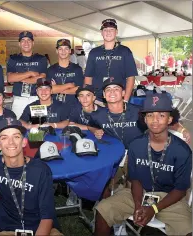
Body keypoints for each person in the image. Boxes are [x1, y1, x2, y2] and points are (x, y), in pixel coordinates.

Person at [94, 93, 192, 236]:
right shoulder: (136, 145)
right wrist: (138, 205)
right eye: (150, 115)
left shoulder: (182, 150)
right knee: (103, 209)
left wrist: (154, 209)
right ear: (144, 119)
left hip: (170, 198)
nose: (155, 120)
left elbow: (180, 190)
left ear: (170, 119)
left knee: (188, 230)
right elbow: (136, 180)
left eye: (161, 115)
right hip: (138, 194)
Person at [0, 118, 62, 235]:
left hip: (43, 229)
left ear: (24, 142)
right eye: (4, 138)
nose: (11, 142)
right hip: (8, 231)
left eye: (16, 137)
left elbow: (47, 216)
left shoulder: (41, 170)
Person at [84, 19, 137, 104]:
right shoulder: (94, 52)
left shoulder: (125, 51)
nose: (108, 32)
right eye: (105, 30)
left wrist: (126, 100)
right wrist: (90, 98)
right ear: (101, 32)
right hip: (98, 100)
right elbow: (88, 77)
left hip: (119, 98)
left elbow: (131, 77)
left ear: (116, 32)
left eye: (111, 29)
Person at [7, 31, 48, 119]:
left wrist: (19, 78)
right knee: (18, 125)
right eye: (23, 40)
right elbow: (10, 78)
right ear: (19, 43)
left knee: (39, 126)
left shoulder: (41, 59)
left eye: (29, 40)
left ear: (33, 43)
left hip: (36, 98)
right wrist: (30, 73)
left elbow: (42, 78)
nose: (26, 43)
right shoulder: (13, 59)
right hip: (19, 98)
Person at [47, 39, 84, 107]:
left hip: (73, 106)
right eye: (60, 49)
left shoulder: (77, 69)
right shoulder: (51, 70)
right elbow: (50, 90)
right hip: (55, 107)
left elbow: (79, 89)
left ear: (70, 51)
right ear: (57, 51)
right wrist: (69, 85)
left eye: (66, 49)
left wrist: (58, 89)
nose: (63, 51)